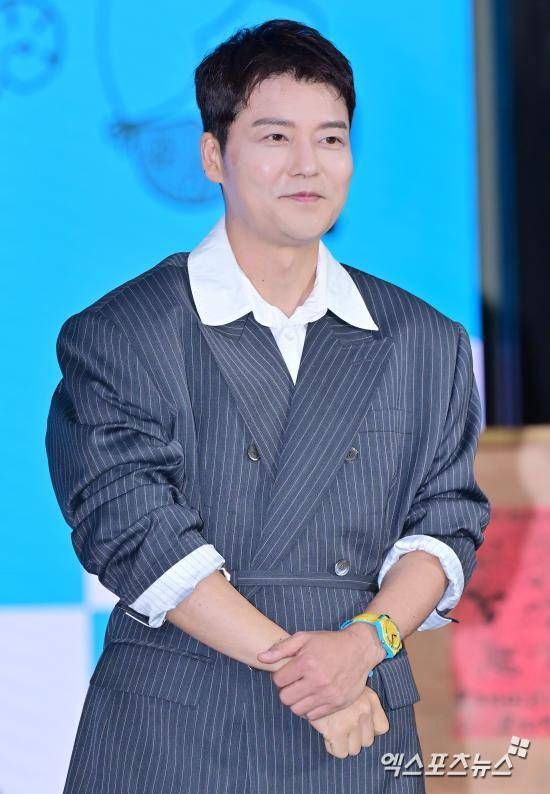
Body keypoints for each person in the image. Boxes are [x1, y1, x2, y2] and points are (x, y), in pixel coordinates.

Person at [45, 18, 491, 794]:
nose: (307, 164)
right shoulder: (122, 332)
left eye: (331, 139)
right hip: (178, 727)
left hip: (360, 720)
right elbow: (132, 529)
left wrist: (362, 645)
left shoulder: (425, 340)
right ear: (213, 155)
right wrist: (312, 676)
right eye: (276, 137)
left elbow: (446, 522)